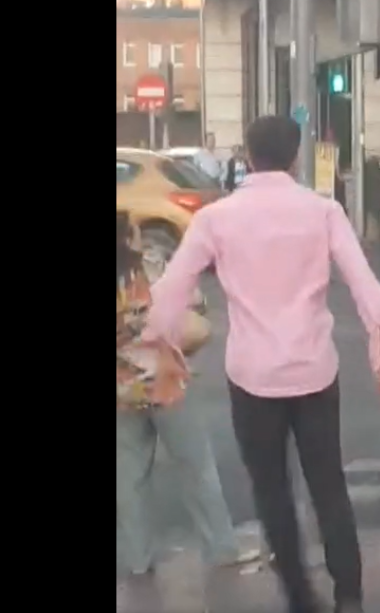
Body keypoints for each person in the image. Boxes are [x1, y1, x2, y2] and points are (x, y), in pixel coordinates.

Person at [142, 115, 380, 613]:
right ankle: (349, 595)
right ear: (294, 156)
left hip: (252, 376)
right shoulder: (323, 211)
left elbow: (172, 291)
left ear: (247, 155)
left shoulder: (216, 219)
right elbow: (362, 281)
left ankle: (299, 598)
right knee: (328, 482)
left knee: (272, 492)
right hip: (314, 369)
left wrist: (160, 347)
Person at [115, 212, 256, 583]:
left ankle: (137, 559)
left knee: (129, 477)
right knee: (196, 465)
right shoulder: (150, 266)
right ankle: (220, 548)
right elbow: (193, 300)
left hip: (121, 388)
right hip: (164, 380)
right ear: (129, 237)